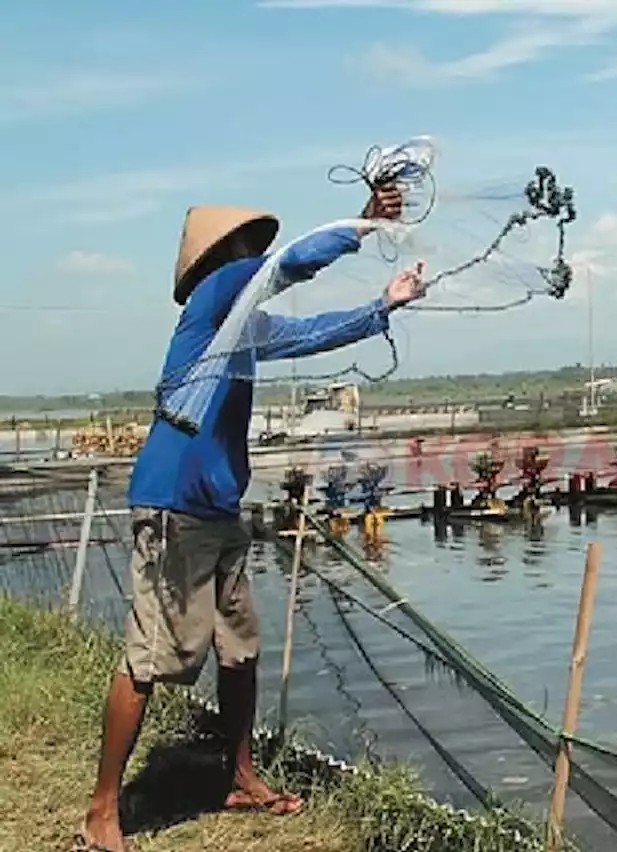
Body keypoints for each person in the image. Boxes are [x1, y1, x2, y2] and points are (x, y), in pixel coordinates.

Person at [77, 185, 425, 852]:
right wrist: (363, 222)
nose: (255, 260)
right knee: (153, 657)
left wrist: (384, 305)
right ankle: (101, 811)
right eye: (246, 252)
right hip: (174, 505)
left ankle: (240, 777)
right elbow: (284, 267)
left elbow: (310, 332)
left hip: (218, 509)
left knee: (240, 649)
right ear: (223, 262)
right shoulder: (210, 307)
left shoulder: (242, 334)